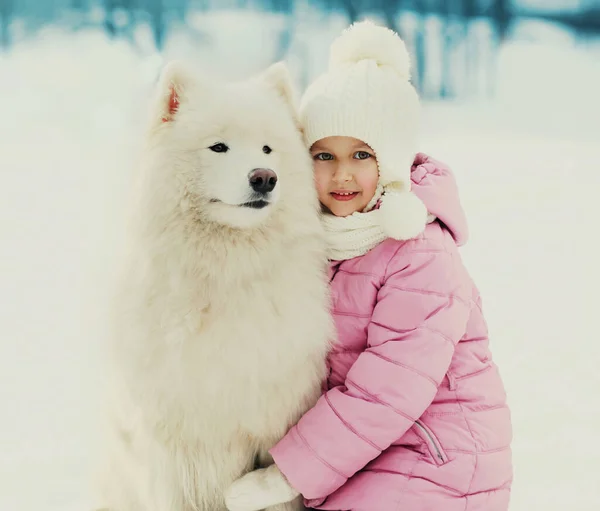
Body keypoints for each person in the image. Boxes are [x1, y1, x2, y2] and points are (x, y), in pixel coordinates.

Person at [225, 20, 512, 511]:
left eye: (362, 154)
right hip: (363, 453)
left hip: (437, 456)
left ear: (393, 159)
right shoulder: (318, 238)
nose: (342, 175)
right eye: (323, 155)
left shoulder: (419, 253)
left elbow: (389, 390)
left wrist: (284, 475)